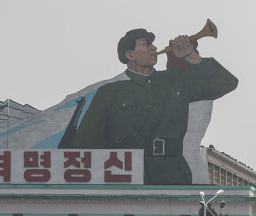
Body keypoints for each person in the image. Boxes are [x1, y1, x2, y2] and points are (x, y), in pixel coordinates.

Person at [68, 28, 238, 185]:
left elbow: (227, 83)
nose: (154, 48)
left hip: (173, 172)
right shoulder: (109, 92)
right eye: (146, 44)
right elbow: (84, 144)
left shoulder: (176, 80)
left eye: (153, 44)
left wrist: (192, 57)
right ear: (130, 54)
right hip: (126, 175)